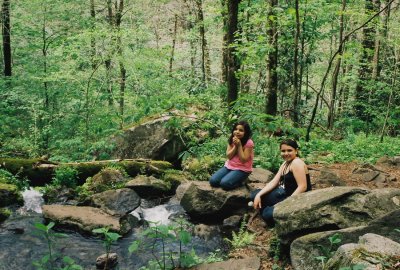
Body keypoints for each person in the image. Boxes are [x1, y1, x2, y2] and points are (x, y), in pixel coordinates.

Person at [251, 139, 311, 225]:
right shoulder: (285, 164)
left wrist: (285, 204)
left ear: (296, 151)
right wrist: (259, 195)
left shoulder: (297, 163)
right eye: (283, 151)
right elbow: (274, 182)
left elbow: (303, 187)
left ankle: (268, 209)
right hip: (284, 194)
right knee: (254, 195)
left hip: (296, 198)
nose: (286, 153)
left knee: (267, 214)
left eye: (289, 150)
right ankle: (267, 207)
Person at [209, 121, 254, 190]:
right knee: (213, 181)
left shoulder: (249, 143)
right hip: (229, 166)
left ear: (246, 133)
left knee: (224, 184)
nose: (237, 132)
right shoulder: (232, 139)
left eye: (241, 130)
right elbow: (229, 156)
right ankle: (232, 178)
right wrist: (235, 146)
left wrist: (239, 145)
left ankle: (241, 182)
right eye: (236, 129)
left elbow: (243, 160)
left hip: (242, 169)